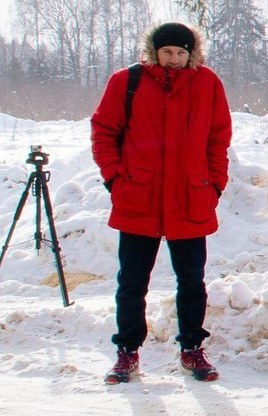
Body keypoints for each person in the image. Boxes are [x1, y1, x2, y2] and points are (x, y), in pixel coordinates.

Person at [89, 21, 231, 385]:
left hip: (190, 197)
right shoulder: (127, 81)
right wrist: (113, 178)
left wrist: (214, 183)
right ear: (154, 51)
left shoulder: (208, 83)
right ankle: (127, 352)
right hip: (140, 196)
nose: (173, 59)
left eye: (181, 53)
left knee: (192, 281)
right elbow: (104, 130)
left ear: (191, 53)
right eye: (167, 52)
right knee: (132, 283)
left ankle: (192, 348)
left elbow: (219, 137)